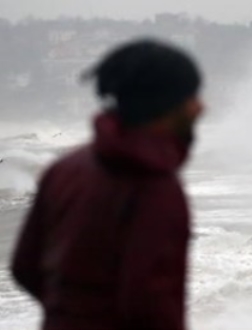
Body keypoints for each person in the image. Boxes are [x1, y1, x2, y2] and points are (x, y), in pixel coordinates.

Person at [10, 39, 204, 330]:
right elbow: (150, 304)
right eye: (190, 96)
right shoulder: (153, 186)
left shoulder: (65, 169)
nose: (200, 107)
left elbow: (25, 267)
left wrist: (74, 313)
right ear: (164, 105)